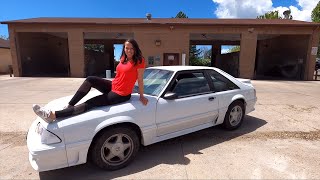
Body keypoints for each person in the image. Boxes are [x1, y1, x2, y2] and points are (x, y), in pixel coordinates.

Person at [32, 39, 148, 123]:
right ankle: (70, 105)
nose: (129, 50)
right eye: (127, 48)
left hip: (121, 94)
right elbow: (120, 75)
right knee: (90, 79)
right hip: (113, 85)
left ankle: (53, 115)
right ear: (124, 48)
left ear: (135, 49)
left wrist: (141, 96)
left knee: (91, 103)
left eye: (132, 48)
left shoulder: (140, 61)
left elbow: (140, 80)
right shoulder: (123, 59)